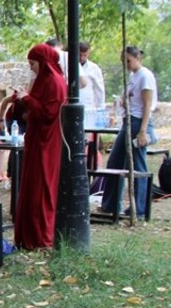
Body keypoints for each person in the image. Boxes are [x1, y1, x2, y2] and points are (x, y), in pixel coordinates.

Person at [12, 43, 67, 249]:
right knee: (31, 186)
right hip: (36, 138)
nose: (31, 68)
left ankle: (41, 237)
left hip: (47, 141)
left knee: (41, 187)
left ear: (43, 63)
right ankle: (28, 236)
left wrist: (27, 98)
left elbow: (48, 113)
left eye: (33, 63)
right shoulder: (43, 81)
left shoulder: (54, 81)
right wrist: (22, 99)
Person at [101, 45, 157, 217]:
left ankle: (140, 208)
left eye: (128, 61)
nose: (126, 64)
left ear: (137, 57)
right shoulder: (133, 76)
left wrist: (142, 130)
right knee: (115, 162)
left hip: (138, 121)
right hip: (128, 121)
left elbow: (147, 105)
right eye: (123, 61)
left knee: (137, 165)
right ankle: (110, 204)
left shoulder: (145, 76)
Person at [78, 41, 106, 122]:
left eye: (84, 55)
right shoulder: (69, 66)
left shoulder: (94, 68)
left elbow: (99, 91)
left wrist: (100, 112)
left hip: (88, 108)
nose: (82, 58)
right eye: (80, 55)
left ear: (88, 53)